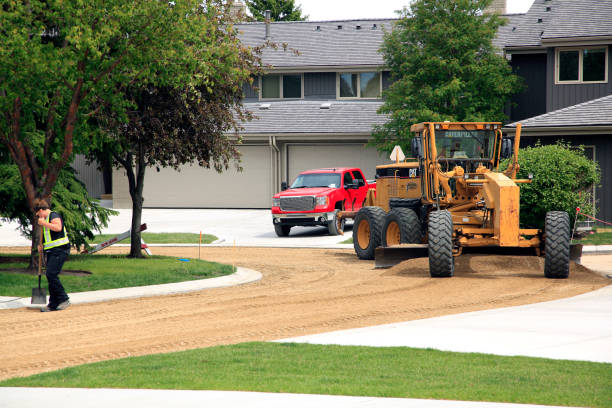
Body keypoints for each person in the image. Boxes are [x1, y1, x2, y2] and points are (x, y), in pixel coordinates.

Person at [34, 199, 71, 312]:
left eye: (37, 214)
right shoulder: (44, 220)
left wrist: (43, 223)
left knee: (51, 274)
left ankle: (63, 299)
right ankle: (53, 304)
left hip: (60, 250)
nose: (37, 216)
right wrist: (42, 245)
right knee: (50, 276)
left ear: (41, 210)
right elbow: (49, 235)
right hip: (51, 251)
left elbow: (58, 228)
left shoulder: (53, 215)